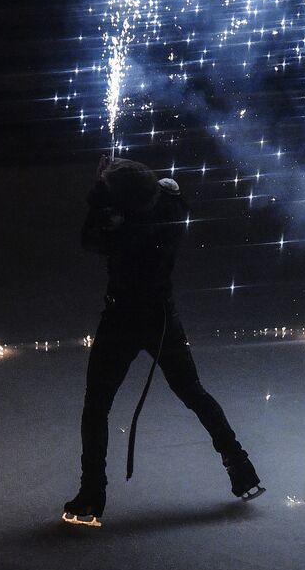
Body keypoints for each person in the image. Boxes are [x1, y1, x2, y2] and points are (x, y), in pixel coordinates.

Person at [64, 155, 262, 526]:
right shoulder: (167, 213)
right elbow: (167, 194)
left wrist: (98, 199)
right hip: (161, 320)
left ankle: (92, 492)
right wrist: (123, 184)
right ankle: (240, 465)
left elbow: (90, 240)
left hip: (123, 320)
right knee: (194, 393)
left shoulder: (118, 227)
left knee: (96, 407)